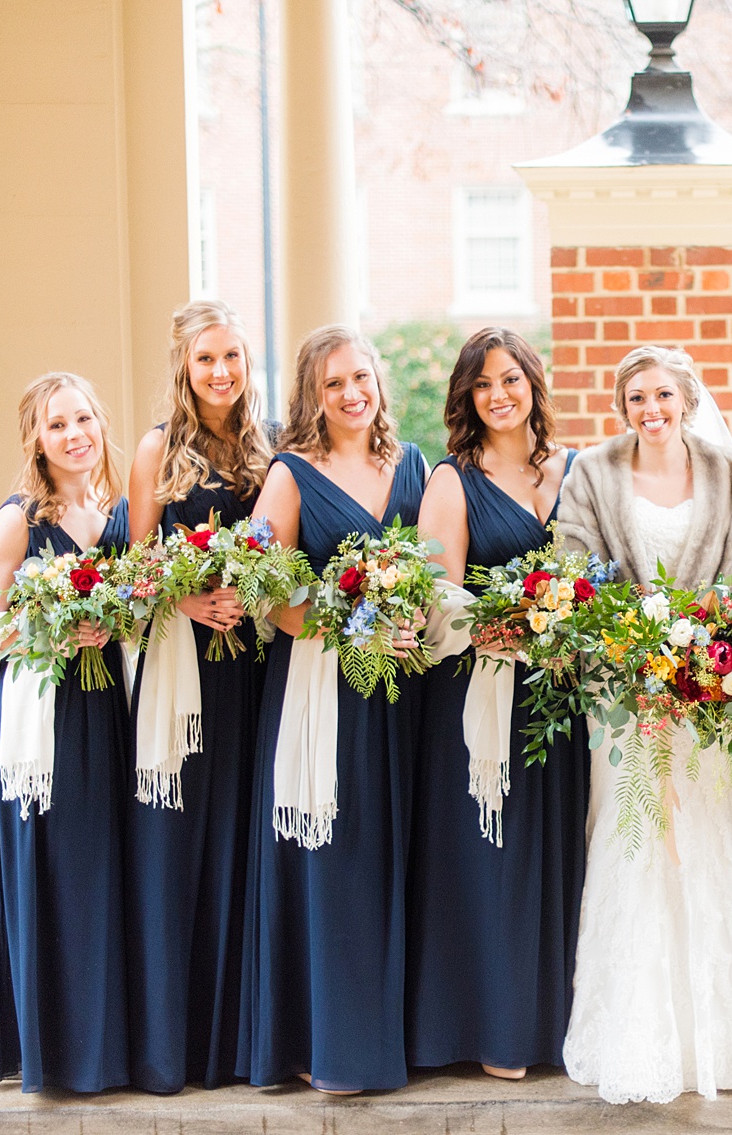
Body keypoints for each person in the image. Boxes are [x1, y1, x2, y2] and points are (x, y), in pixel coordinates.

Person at [555, 345, 732, 1104]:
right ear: (623, 407)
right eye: (635, 400)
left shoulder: (731, 478)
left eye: (662, 396)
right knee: (631, 846)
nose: (650, 411)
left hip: (702, 702)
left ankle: (714, 1038)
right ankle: (632, 1031)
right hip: (622, 704)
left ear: (686, 397)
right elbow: (573, 577)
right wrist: (632, 664)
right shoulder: (591, 473)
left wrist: (697, 667)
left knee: (707, 849)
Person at [235, 326, 428, 1093]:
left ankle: (403, 1032)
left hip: (407, 687)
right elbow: (258, 583)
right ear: (312, 397)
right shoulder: (291, 473)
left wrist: (407, 620)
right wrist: (347, 622)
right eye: (334, 383)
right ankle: (325, 1040)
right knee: (334, 860)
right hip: (325, 687)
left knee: (402, 851)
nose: (352, 394)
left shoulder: (410, 462)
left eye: (361, 378)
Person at [406, 328, 587, 1079]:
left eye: (511, 378)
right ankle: (492, 1029)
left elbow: (602, 571)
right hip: (482, 692)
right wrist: (493, 623)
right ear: (467, 398)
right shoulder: (453, 479)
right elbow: (435, 594)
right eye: (483, 385)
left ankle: (557, 1026)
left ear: (533, 384)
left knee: (563, 855)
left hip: (564, 693)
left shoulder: (575, 471)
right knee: (490, 858)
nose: (499, 394)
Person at [122, 300, 275, 1093]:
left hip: (252, 664)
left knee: (245, 841)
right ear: (184, 365)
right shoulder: (157, 449)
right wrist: (185, 601)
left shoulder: (269, 445)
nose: (221, 372)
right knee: (179, 841)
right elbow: (131, 562)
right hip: (184, 666)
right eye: (207, 358)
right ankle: (173, 1044)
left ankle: (238, 1041)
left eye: (233, 358)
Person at [0, 371, 132, 1092]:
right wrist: (56, 628)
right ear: (36, 437)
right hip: (45, 717)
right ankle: (53, 1051)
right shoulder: (20, 519)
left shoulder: (118, 515)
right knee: (56, 871)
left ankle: (103, 1045)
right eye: (59, 423)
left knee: (101, 874)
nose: (76, 435)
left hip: (107, 715)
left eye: (85, 419)